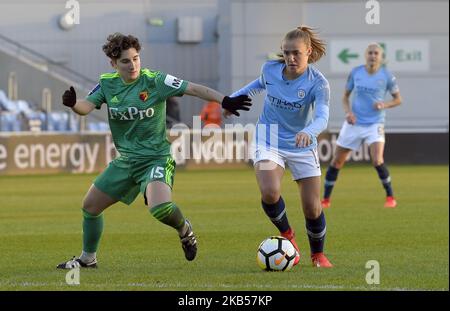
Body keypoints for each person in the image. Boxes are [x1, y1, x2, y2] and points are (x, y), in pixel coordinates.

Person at [56, 33, 251, 269]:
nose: (133, 65)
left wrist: (225, 101)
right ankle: (88, 259)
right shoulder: (107, 83)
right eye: (126, 61)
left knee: (159, 209)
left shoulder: (155, 81)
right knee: (90, 206)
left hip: (156, 158)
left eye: (136, 58)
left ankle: (184, 229)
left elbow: (194, 89)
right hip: (126, 161)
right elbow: (86, 107)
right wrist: (73, 104)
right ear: (113, 63)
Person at [230, 26, 333, 268]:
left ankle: (318, 255)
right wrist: (232, 100)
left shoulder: (318, 83)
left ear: (308, 51)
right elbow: (256, 85)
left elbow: (322, 117)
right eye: (286, 53)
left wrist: (309, 131)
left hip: (301, 144)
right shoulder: (270, 69)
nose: (290, 58)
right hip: (268, 138)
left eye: (296, 53)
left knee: (312, 206)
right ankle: (288, 236)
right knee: (269, 191)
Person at [321, 43, 402, 209]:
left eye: (376, 53)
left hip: (375, 124)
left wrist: (384, 105)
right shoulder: (356, 72)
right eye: (370, 53)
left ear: (381, 57)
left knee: (377, 159)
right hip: (354, 123)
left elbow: (398, 99)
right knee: (336, 161)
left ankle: (390, 197)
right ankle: (325, 200)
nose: (373, 55)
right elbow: (345, 97)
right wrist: (348, 113)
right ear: (366, 55)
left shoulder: (387, 76)